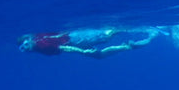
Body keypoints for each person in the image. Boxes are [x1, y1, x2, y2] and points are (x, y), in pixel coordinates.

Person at [18, 26, 163, 57]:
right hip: (76, 40)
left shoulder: (42, 45)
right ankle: (127, 45)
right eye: (24, 49)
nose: (27, 47)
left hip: (76, 40)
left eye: (25, 45)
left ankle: (138, 30)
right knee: (99, 54)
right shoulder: (41, 46)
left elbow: (64, 48)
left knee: (108, 35)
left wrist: (82, 51)